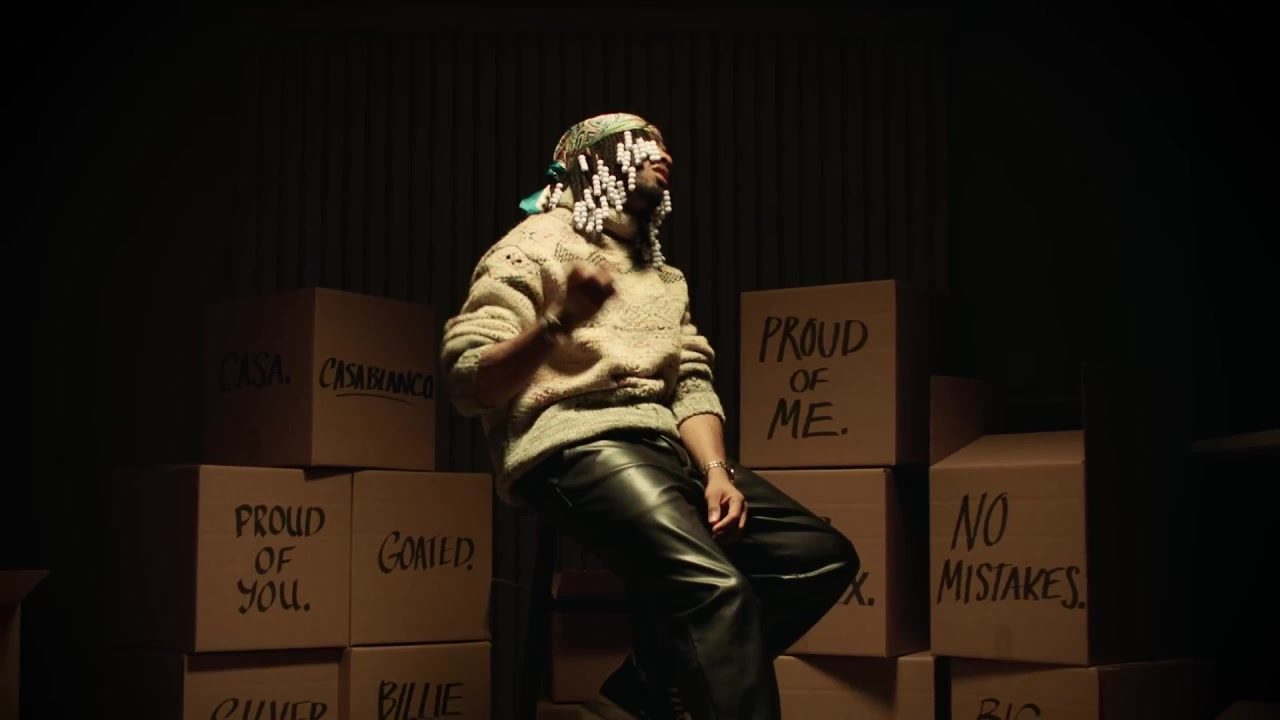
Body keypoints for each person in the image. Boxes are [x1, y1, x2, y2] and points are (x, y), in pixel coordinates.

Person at [441, 112, 858, 720]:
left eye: (665, 145)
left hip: (662, 448)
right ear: (593, 160)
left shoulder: (662, 275)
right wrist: (559, 320)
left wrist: (716, 472)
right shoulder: (529, 245)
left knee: (820, 557)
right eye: (644, 143)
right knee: (717, 591)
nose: (664, 155)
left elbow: (690, 381)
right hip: (574, 442)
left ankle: (642, 691)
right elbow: (467, 380)